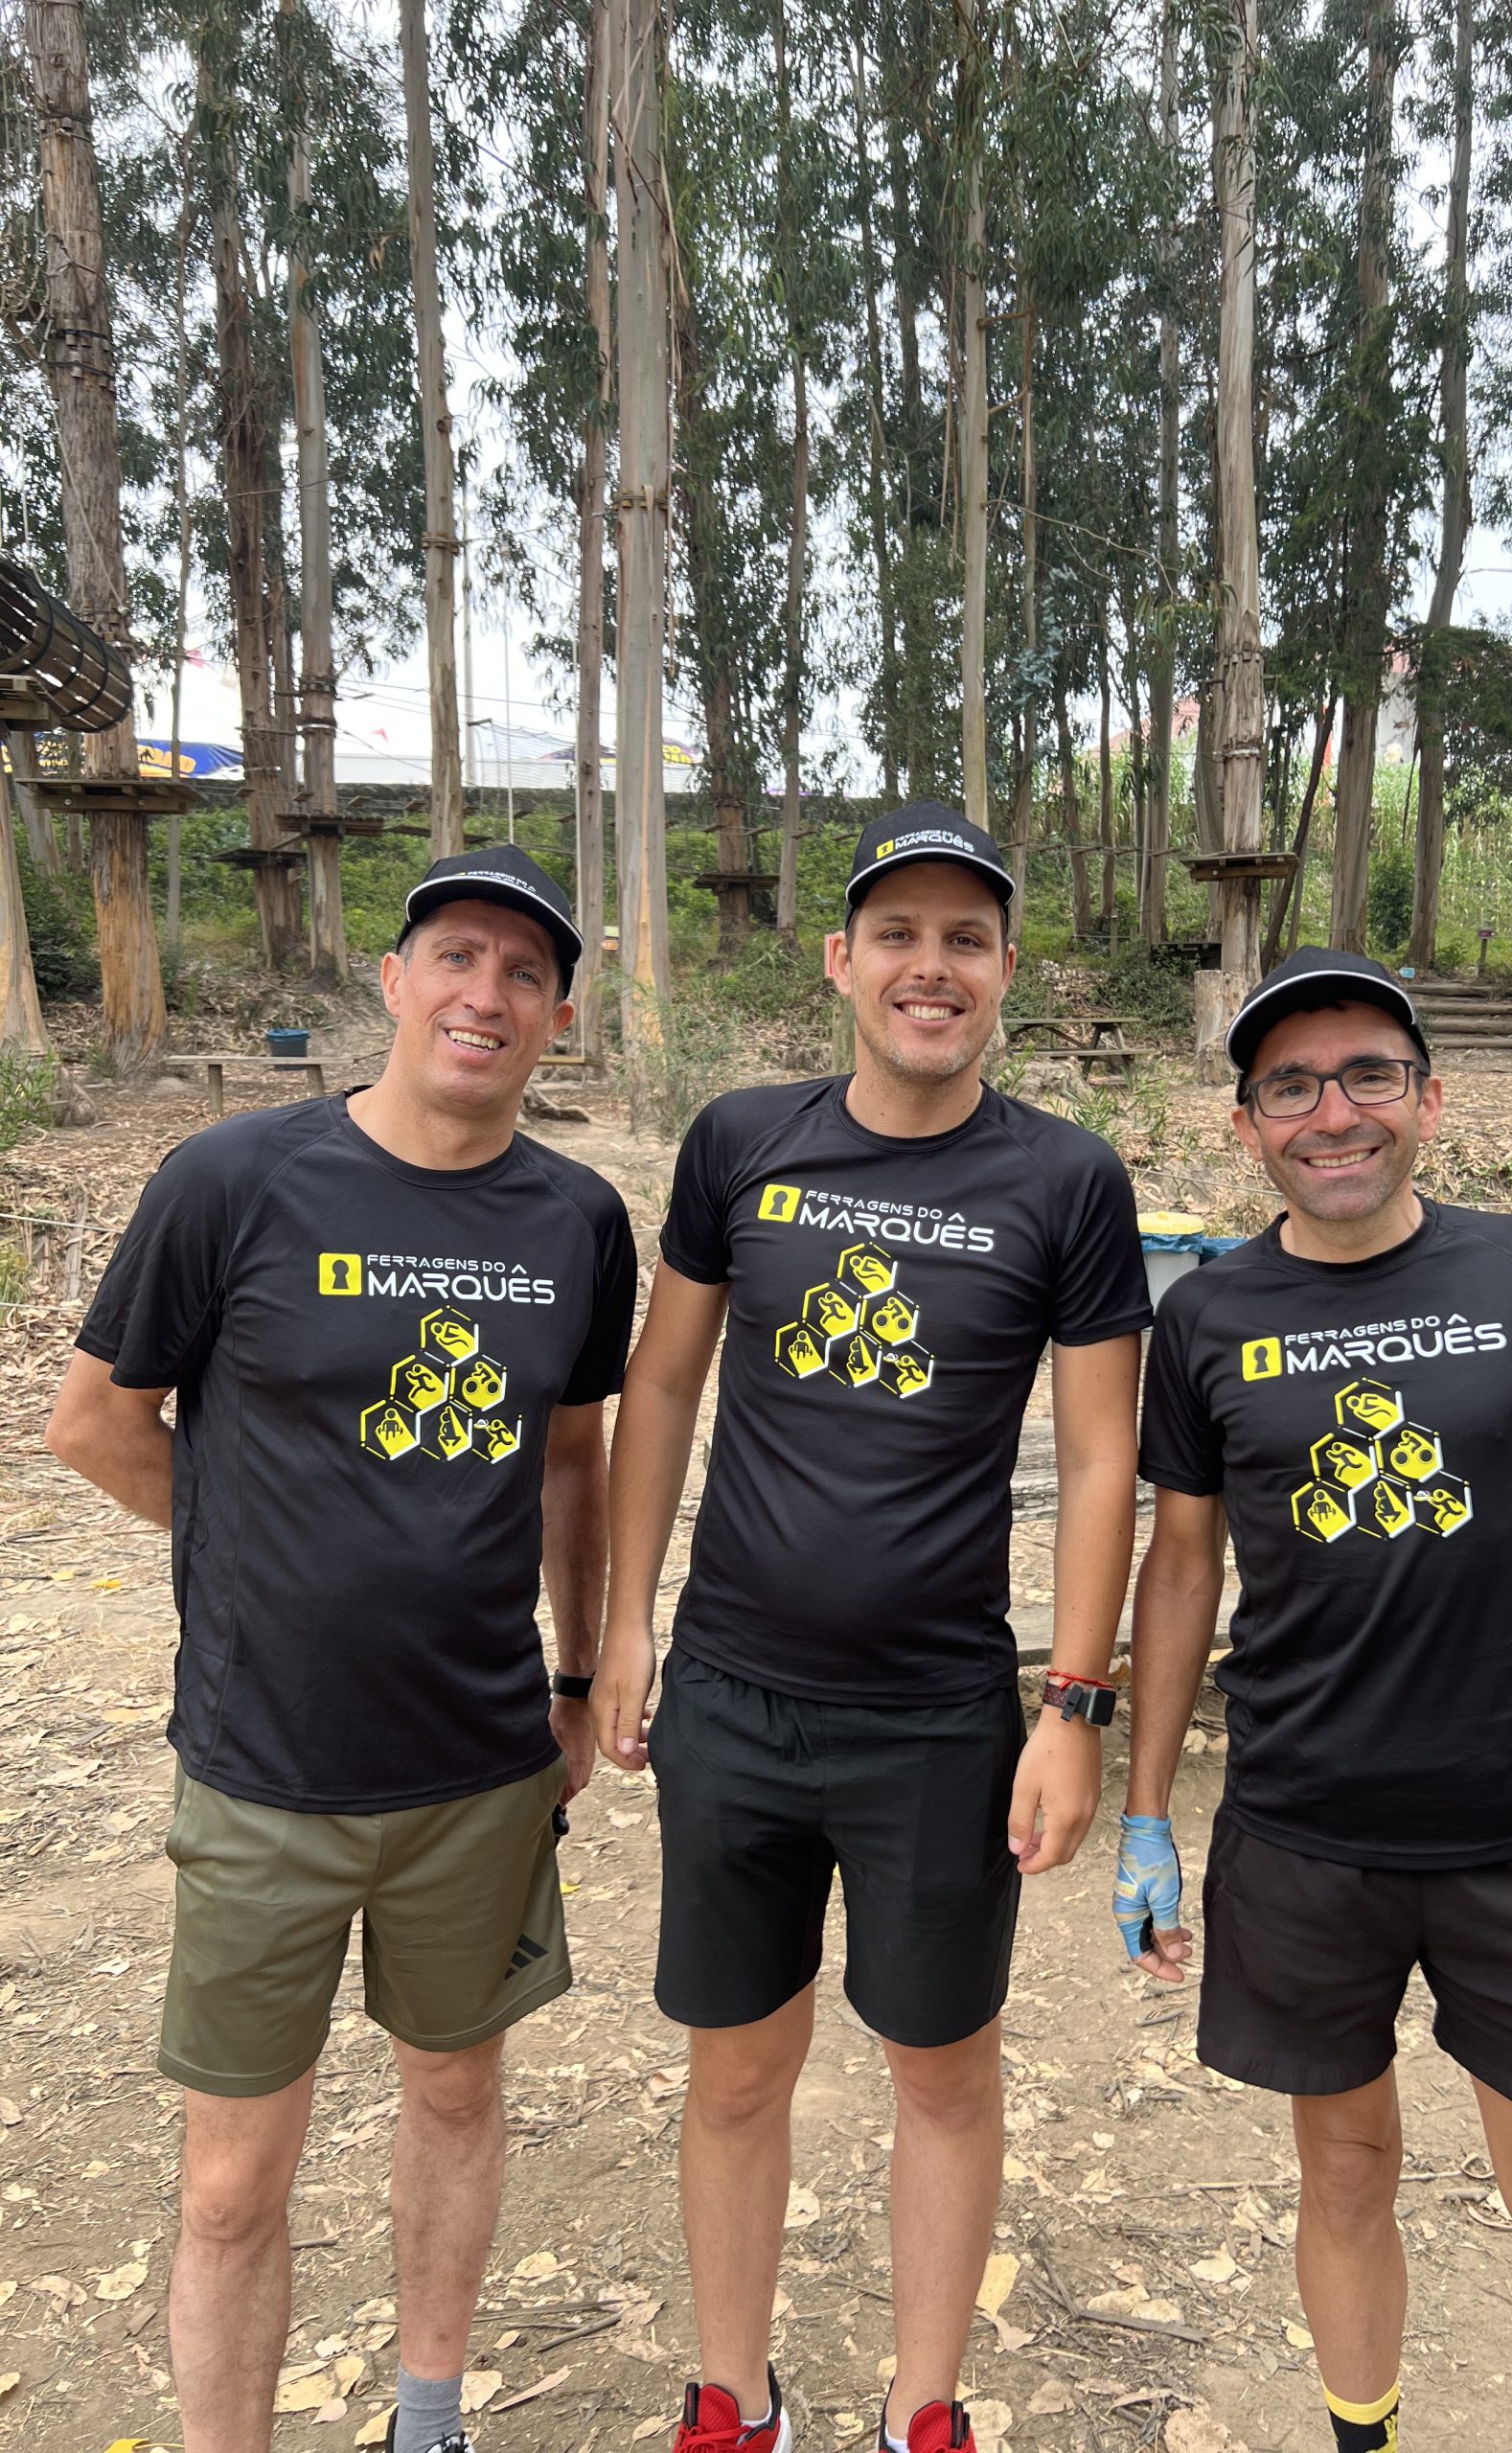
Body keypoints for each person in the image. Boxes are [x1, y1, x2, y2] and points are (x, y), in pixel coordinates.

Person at [48, 846, 637, 2453]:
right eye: (457, 957)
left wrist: (579, 1672)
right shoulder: (233, 1180)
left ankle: (429, 2420)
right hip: (266, 1769)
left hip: (478, 1767)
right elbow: (95, 1424)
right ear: (393, 980)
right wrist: (259, 1541)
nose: (486, 995)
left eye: (525, 974)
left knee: (455, 2096)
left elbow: (573, 1456)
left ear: (558, 1018)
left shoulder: (579, 1220)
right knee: (233, 2182)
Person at [1114, 947, 1512, 2453]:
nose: (1333, 1114)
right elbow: (1182, 1564)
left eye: (1367, 1076)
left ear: (1430, 1099)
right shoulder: (1207, 1317)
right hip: (1301, 1833)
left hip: (1506, 1829)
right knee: (1344, 2177)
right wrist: (1144, 1817)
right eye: (1291, 1088)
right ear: (1248, 1127)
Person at [593, 804, 1152, 2453]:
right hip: (734, 1700)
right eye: (899, 934)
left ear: (1004, 972)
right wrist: (624, 1625)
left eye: (966, 939)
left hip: (937, 1719)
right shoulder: (741, 1142)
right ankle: (734, 2396)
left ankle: (925, 2411)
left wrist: (1072, 1705)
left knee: (941, 2074)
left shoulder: (1066, 1179)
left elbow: (1105, 1455)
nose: (932, 966)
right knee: (735, 2072)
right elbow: (663, 1384)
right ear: (842, 962)